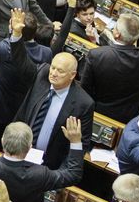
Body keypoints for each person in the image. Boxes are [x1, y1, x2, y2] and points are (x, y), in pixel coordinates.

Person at [13, 27, 94, 170]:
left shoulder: (84, 103)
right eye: (53, 68)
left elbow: (82, 144)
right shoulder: (42, 74)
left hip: (49, 167)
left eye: (60, 71)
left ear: (72, 75)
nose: (54, 73)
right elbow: (23, 111)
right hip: (19, 154)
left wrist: (60, 175)